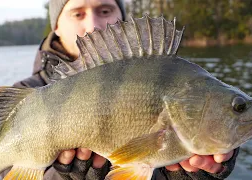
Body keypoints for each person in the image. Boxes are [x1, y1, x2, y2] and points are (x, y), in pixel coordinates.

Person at [13, 0, 240, 179]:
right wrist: (62, 178)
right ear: (56, 26)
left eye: (105, 11)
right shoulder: (26, 95)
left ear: (121, 18)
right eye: (78, 13)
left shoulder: (173, 78)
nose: (93, 25)